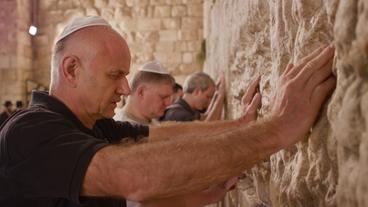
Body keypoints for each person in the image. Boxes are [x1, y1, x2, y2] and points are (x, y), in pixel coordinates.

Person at [0, 16, 336, 207]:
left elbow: (157, 138)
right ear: (71, 69)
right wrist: (278, 129)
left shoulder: (92, 125)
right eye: (115, 76)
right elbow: (134, 176)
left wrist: (240, 124)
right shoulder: (30, 131)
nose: (125, 89)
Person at [114, 61, 175, 125]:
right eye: (163, 97)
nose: (168, 103)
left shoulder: (151, 121)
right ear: (141, 92)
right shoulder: (122, 127)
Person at [161, 72, 225, 122]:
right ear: (197, 91)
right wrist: (221, 95)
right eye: (208, 97)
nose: (209, 102)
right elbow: (208, 128)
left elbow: (206, 116)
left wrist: (216, 95)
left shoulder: (184, 108)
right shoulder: (177, 114)